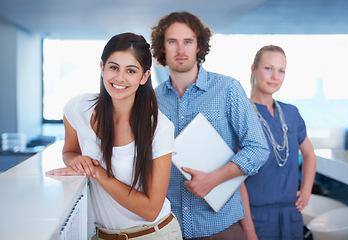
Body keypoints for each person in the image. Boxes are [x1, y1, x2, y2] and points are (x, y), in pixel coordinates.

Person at [45, 33, 182, 240]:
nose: (119, 78)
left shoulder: (159, 128)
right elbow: (70, 151)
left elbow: (151, 209)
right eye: (113, 67)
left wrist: (99, 173)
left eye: (131, 71)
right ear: (102, 68)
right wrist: (76, 161)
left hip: (153, 235)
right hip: (102, 235)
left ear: (144, 77)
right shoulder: (78, 109)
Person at [151, 11, 270, 239]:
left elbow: (258, 149)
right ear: (162, 47)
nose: (180, 50)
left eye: (188, 41)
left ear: (198, 46)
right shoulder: (151, 101)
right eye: (172, 42)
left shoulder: (228, 89)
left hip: (220, 225)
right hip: (169, 227)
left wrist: (214, 179)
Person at [244, 45, 317, 240]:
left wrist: (307, 191)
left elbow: (309, 154)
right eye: (268, 68)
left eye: (281, 70)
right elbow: (236, 178)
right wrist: (249, 228)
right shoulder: (242, 113)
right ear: (253, 69)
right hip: (255, 216)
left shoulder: (291, 113)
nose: (275, 76)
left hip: (291, 215)